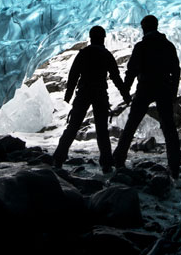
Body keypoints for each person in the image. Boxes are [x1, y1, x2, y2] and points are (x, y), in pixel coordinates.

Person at [53, 25, 130, 173]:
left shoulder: (83, 53)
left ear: (90, 37)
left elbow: (73, 75)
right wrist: (125, 95)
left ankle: (58, 158)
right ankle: (106, 163)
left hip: (83, 92)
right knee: (102, 129)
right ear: (103, 38)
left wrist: (68, 96)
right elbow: (115, 77)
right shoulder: (106, 54)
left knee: (73, 126)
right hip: (100, 93)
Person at [113, 15, 181, 178]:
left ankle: (119, 158)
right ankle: (174, 165)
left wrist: (125, 91)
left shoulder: (141, 46)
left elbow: (132, 70)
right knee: (169, 126)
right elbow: (176, 70)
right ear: (156, 26)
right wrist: (173, 91)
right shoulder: (168, 45)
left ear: (144, 28)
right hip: (164, 87)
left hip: (145, 87)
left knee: (132, 123)